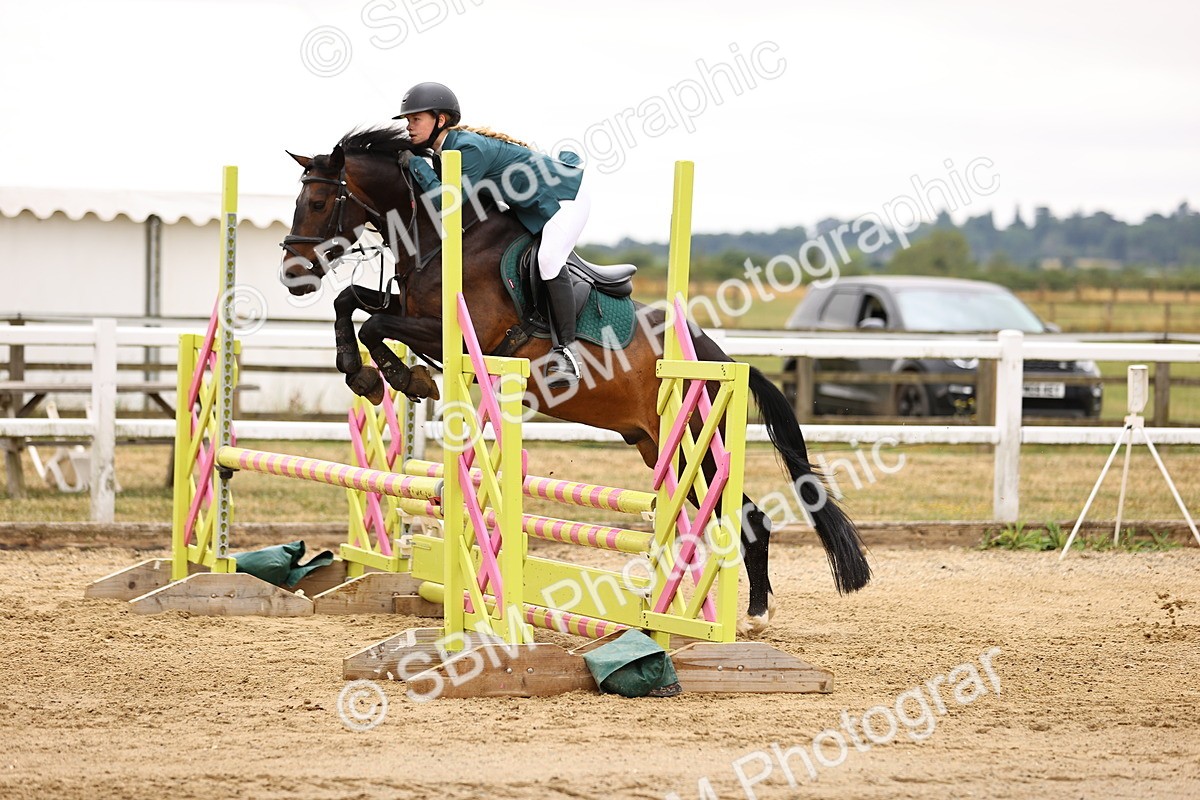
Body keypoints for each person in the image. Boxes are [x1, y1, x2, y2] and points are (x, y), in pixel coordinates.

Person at [395, 81, 588, 389]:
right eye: (408, 120)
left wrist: (417, 163)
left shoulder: (466, 149)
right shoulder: (449, 149)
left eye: (416, 119)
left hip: (565, 201)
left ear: (440, 120)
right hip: (533, 209)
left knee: (549, 259)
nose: (409, 126)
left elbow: (448, 203)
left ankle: (568, 352)